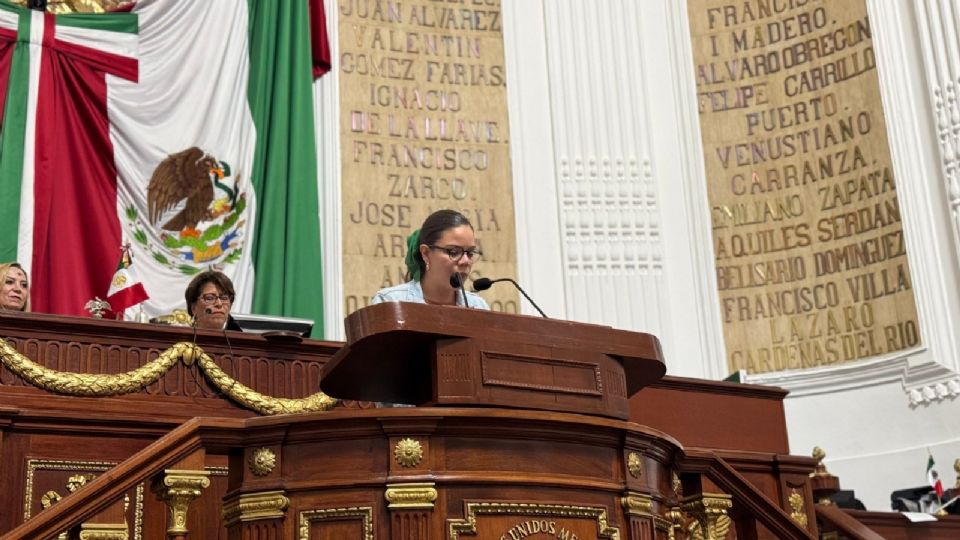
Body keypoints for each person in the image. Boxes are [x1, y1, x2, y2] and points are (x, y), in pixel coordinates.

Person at [372, 209, 489, 309]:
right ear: (426, 254)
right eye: (453, 252)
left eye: (470, 253)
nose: (465, 261)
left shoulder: (479, 306)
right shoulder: (390, 302)